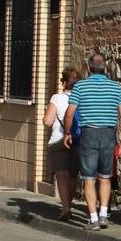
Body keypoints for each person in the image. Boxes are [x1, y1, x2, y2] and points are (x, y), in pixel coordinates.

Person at [63, 53, 121, 230]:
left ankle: (93, 218)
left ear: (89, 67)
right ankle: (103, 215)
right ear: (104, 67)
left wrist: (68, 132)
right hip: (108, 134)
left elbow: (70, 113)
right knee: (106, 177)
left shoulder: (80, 87)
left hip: (88, 134)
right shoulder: (116, 88)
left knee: (89, 178)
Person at [43, 67, 82, 220]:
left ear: (64, 82)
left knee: (61, 174)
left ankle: (65, 208)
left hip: (58, 140)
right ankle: (69, 204)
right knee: (72, 175)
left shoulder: (56, 98)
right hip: (77, 140)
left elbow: (47, 121)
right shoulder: (82, 98)